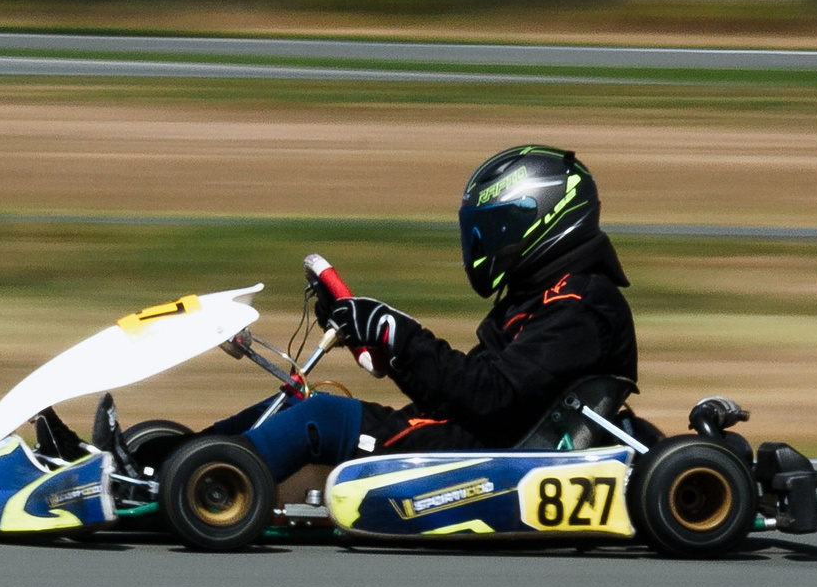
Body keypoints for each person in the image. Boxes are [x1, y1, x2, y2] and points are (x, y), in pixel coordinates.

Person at [217, 145, 639, 479]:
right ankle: (178, 458)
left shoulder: (577, 307)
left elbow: (491, 398)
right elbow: (465, 391)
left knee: (321, 418)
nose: (485, 243)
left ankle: (209, 479)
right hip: (480, 435)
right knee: (295, 405)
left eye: (497, 229)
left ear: (541, 218)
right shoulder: (542, 294)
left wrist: (398, 335)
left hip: (500, 457)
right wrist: (391, 346)